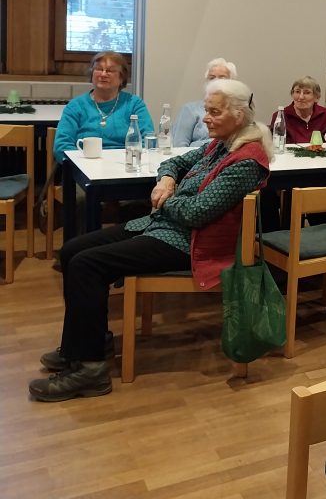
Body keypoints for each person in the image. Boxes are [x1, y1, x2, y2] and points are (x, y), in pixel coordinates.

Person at [29, 79, 271, 401]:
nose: (205, 118)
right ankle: (88, 342)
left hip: (190, 243)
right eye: (206, 110)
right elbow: (174, 161)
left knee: (88, 264)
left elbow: (198, 213)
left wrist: (165, 199)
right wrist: (168, 180)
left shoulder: (246, 160)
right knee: (72, 250)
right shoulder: (220, 144)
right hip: (166, 226)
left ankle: (90, 371)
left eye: (214, 112)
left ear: (238, 116)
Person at [53, 51, 154, 162]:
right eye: (99, 69)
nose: (103, 74)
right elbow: (62, 146)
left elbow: (148, 141)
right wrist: (83, 165)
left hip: (125, 165)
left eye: (110, 70)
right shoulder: (76, 106)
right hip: (85, 166)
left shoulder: (134, 104)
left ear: (121, 78)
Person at [172, 57, 237, 148]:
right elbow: (179, 146)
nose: (216, 82)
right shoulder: (190, 109)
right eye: (212, 78)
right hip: (195, 156)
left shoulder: (237, 111)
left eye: (222, 78)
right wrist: (213, 143)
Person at [269, 76, 326, 144]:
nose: (301, 97)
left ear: (317, 97)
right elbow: (276, 144)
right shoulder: (280, 117)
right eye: (297, 92)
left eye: (307, 92)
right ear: (292, 95)